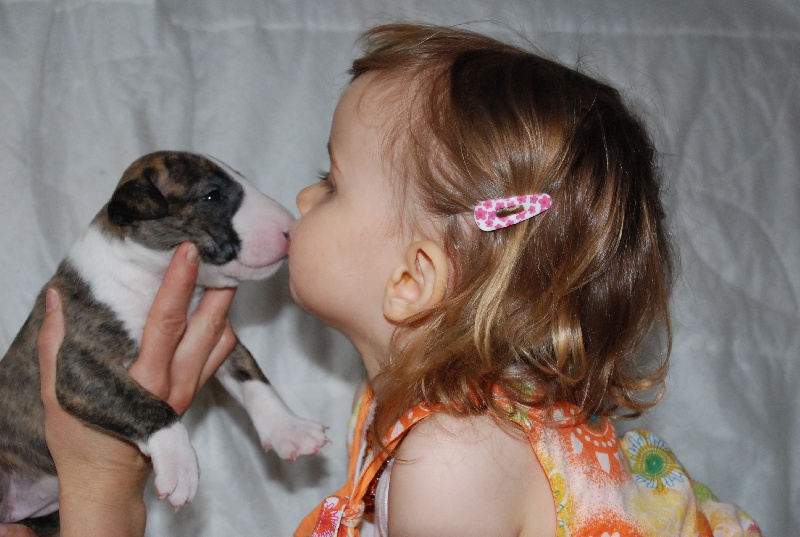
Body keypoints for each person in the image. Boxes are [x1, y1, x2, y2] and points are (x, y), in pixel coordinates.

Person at [1, 23, 761, 537]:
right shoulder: (420, 416)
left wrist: (101, 489)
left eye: (330, 182)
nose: (302, 199)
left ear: (413, 278)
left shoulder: (453, 458)